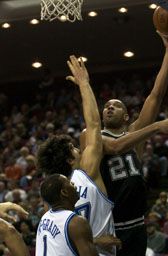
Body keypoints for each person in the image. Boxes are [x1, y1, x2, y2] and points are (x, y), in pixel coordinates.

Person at [80, 30, 168, 255]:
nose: (109, 107)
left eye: (116, 105)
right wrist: (156, 126)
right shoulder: (91, 137)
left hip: (137, 224)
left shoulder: (134, 132)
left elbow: (156, 95)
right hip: (110, 226)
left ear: (127, 116)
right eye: (106, 105)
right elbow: (117, 147)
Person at [37, 55, 121, 255]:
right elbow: (93, 125)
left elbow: (63, 235)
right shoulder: (87, 172)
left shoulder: (51, 194)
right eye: (74, 148)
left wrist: (95, 239)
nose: (79, 150)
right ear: (69, 159)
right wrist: (84, 84)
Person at [36, 174, 99, 256]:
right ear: (64, 192)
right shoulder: (76, 222)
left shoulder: (44, 218)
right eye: (69, 182)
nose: (73, 184)